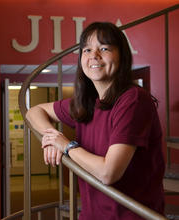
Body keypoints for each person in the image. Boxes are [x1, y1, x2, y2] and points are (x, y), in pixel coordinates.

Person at [26, 21, 165, 220]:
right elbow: (34, 111)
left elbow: (108, 173)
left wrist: (66, 145)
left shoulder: (133, 100)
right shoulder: (87, 104)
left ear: (122, 56)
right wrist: (51, 136)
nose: (94, 56)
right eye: (87, 49)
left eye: (104, 48)